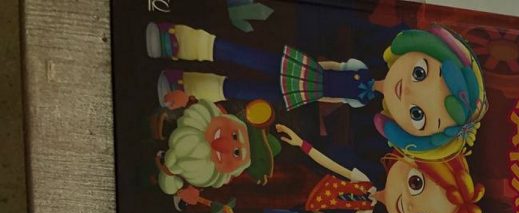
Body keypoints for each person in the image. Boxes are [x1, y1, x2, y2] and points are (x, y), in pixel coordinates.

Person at [146, 22, 487, 159]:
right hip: (306, 72)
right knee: (248, 57)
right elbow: (337, 68)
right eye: (419, 73)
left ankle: (186, 85)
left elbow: (335, 100)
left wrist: (323, 108)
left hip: (306, 92)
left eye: (417, 114)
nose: (408, 92)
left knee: (246, 92)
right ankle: (184, 41)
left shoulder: (363, 100)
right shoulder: (364, 71)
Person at [275, 123, 483, 213]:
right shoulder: (364, 181)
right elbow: (332, 165)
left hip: (299, 202)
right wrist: (302, 144)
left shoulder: (366, 212)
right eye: (416, 183)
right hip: (301, 178)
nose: (410, 205)